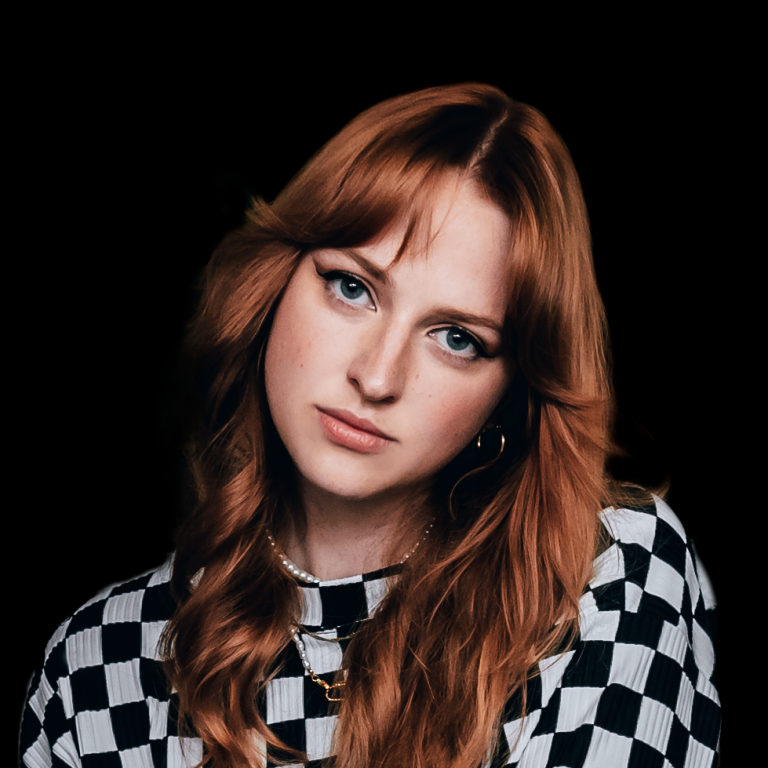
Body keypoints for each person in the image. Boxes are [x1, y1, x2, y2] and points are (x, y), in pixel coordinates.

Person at [20, 83, 720, 768]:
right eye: (351, 287)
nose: (377, 377)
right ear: (274, 285)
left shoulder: (604, 577)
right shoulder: (98, 665)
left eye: (456, 338)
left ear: (510, 392)